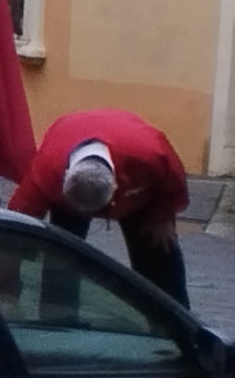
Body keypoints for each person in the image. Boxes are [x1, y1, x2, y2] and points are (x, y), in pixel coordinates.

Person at [11, 108, 198, 308]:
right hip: (68, 161)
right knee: (61, 252)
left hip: (136, 178)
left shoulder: (149, 155)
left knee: (160, 247)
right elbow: (11, 234)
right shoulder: (46, 174)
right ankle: (56, 318)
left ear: (115, 187)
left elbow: (174, 180)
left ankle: (174, 319)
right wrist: (8, 296)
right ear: (64, 181)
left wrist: (162, 215)